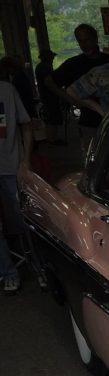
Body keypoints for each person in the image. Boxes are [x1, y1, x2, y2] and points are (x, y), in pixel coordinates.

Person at [44, 24, 109, 155]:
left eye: (87, 40)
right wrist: (71, 100)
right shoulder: (74, 64)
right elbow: (49, 81)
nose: (84, 44)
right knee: (94, 157)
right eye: (80, 41)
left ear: (95, 38)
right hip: (89, 121)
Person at [0, 73, 33, 294]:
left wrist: (25, 160)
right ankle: (9, 273)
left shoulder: (7, 90)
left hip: (11, 166)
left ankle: (40, 267)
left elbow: (27, 125)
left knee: (26, 219)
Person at [35, 50, 65, 144]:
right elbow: (49, 82)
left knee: (52, 118)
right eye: (51, 57)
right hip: (49, 96)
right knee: (52, 118)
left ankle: (52, 139)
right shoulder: (44, 68)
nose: (53, 59)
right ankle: (51, 139)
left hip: (49, 95)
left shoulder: (43, 67)